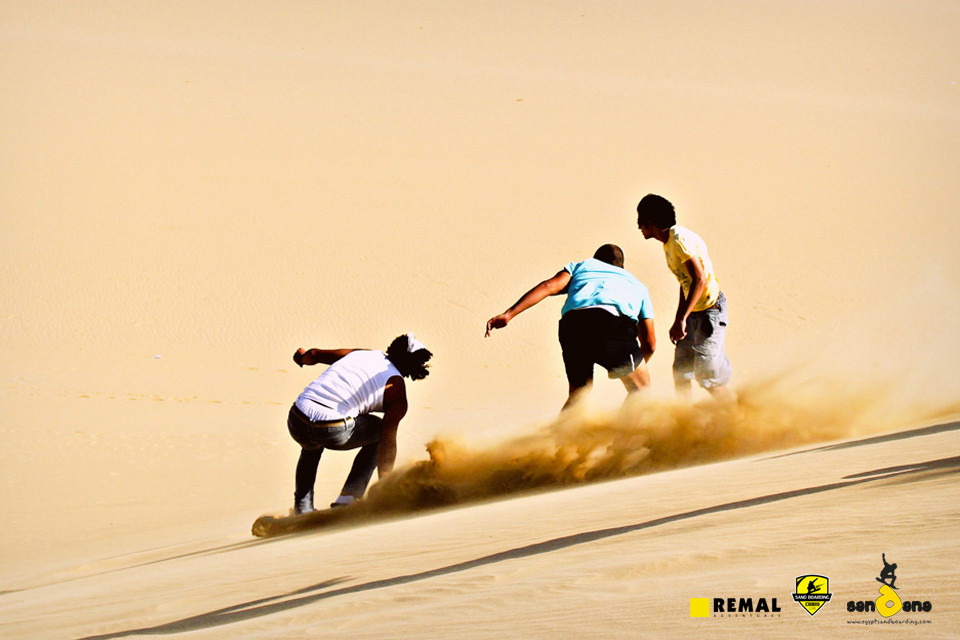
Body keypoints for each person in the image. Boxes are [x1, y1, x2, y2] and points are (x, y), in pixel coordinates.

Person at [485, 244, 655, 410]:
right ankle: (622, 438)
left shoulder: (583, 266)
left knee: (579, 395)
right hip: (611, 324)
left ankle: (559, 438)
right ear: (622, 267)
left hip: (573, 325)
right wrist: (635, 366)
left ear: (596, 259)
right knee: (641, 390)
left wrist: (509, 314)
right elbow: (650, 343)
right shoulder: (638, 286)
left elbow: (549, 286)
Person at [286, 333, 432, 514]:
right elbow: (387, 442)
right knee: (379, 431)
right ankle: (347, 499)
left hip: (297, 417)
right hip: (330, 429)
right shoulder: (397, 391)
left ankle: (302, 508)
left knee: (310, 446)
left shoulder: (363, 354)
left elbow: (314, 355)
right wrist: (385, 486)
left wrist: (301, 357)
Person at [636, 194, 733, 400]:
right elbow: (686, 283)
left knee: (707, 377)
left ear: (650, 222)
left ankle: (736, 415)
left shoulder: (679, 240)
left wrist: (682, 319)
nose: (639, 227)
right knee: (681, 371)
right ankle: (684, 420)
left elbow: (699, 279)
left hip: (710, 311)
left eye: (640, 221)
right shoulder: (668, 243)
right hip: (694, 313)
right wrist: (680, 318)